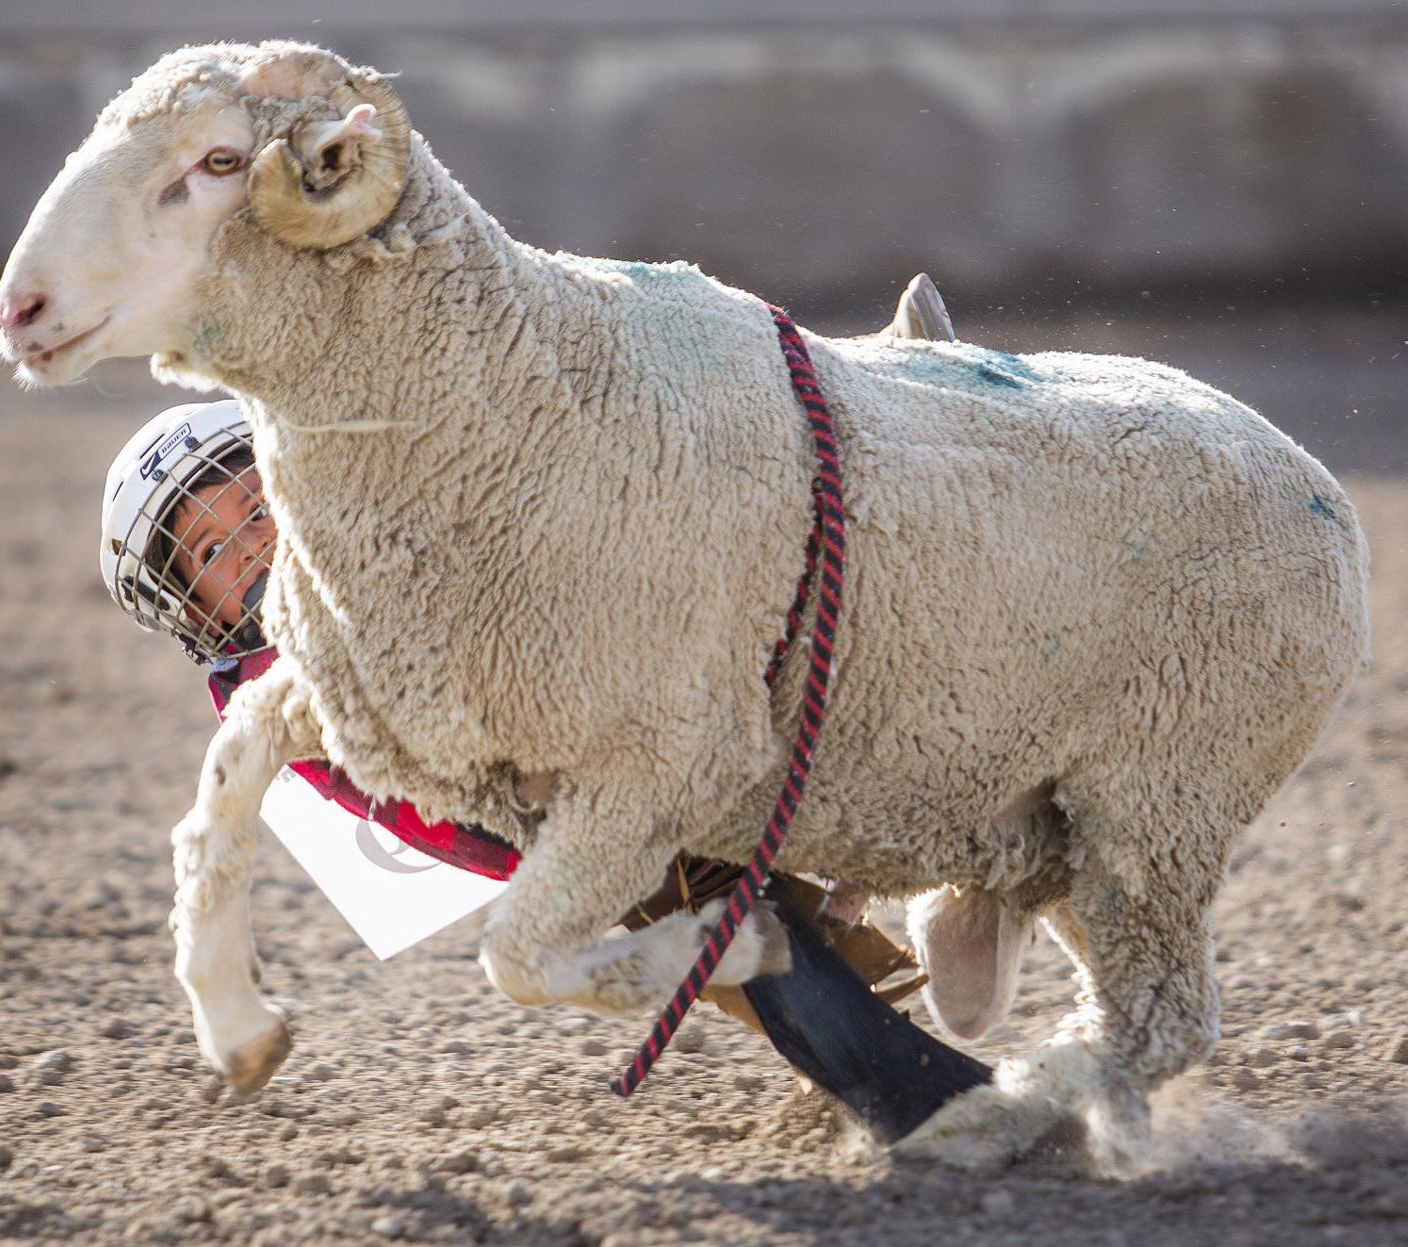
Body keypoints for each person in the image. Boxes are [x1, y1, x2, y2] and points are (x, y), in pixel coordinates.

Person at [101, 384, 987, 1139]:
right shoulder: (267, 691)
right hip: (569, 818)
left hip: (636, 713)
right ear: (190, 607)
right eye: (212, 552)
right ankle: (933, 1101)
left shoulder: (374, 540)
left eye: (253, 506)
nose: (250, 543)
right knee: (746, 935)